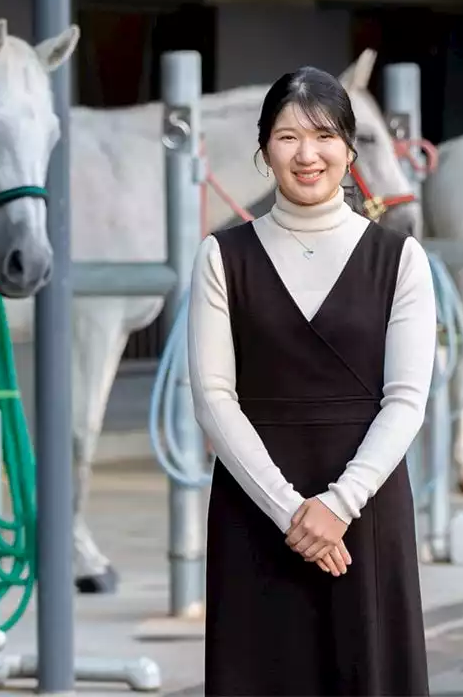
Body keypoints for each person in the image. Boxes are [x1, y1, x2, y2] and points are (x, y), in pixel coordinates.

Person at [188, 65, 436, 696]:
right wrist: (292, 512)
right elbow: (214, 398)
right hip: (255, 510)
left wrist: (338, 504)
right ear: (263, 150)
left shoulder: (400, 258)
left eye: (324, 136)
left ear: (349, 149)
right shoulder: (222, 256)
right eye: (287, 137)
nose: (307, 154)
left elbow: (407, 401)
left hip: (366, 512)